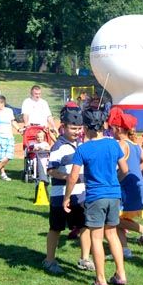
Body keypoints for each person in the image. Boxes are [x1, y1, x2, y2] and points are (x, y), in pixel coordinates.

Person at [63, 109, 129, 285]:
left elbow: (73, 177)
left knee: (96, 237)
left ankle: (101, 279)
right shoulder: (114, 144)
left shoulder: (83, 149)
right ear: (104, 125)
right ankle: (121, 273)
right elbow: (125, 170)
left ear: (85, 127)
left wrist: (67, 197)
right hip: (114, 195)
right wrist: (115, 183)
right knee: (112, 234)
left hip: (95, 197)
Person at [43, 106, 92, 274]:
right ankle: (49, 260)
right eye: (73, 128)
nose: (77, 132)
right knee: (56, 228)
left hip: (81, 195)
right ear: (63, 127)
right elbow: (50, 170)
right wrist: (68, 177)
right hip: (60, 196)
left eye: (79, 128)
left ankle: (84, 258)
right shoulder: (58, 146)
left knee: (84, 226)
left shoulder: (81, 144)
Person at [110, 108, 143, 258]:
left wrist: (116, 181)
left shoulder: (121, 144)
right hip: (136, 186)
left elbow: (121, 168)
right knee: (119, 219)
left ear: (118, 128)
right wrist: (137, 170)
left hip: (126, 188)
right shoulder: (135, 145)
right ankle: (124, 250)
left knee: (113, 219)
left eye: (112, 127)